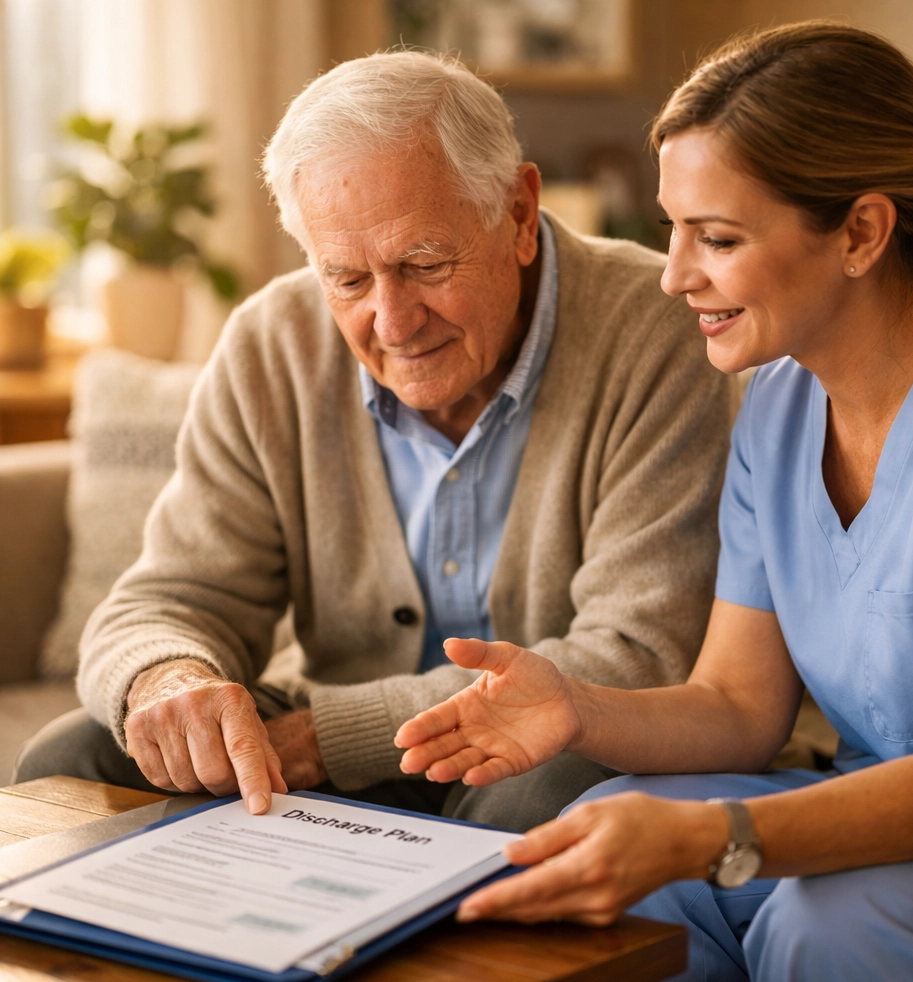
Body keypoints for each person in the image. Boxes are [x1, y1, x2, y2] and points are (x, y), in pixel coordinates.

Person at [395, 23, 913, 982]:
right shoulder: (777, 403)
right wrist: (575, 708)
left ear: (861, 234)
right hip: (902, 823)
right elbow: (738, 704)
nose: (673, 274)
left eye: (717, 239)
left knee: (835, 924)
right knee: (611, 838)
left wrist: (708, 836)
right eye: (673, 230)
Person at [14, 51, 730, 833]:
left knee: (536, 804)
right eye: (347, 280)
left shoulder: (656, 330)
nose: (392, 323)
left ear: (520, 214)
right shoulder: (271, 342)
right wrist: (170, 681)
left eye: (424, 264)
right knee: (73, 756)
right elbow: (171, 597)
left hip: (547, 742)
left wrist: (331, 736)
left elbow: (636, 652)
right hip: (313, 727)